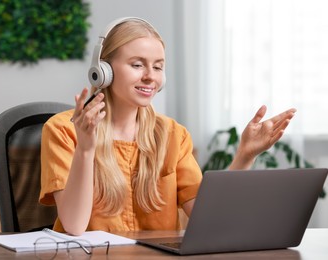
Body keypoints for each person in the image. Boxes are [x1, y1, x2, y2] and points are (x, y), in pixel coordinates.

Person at [39, 17, 296, 236]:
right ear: (103, 70)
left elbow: (208, 221)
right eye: (137, 65)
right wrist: (86, 149)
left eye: (158, 67)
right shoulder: (64, 130)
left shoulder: (173, 135)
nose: (150, 76)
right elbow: (73, 226)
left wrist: (244, 156)